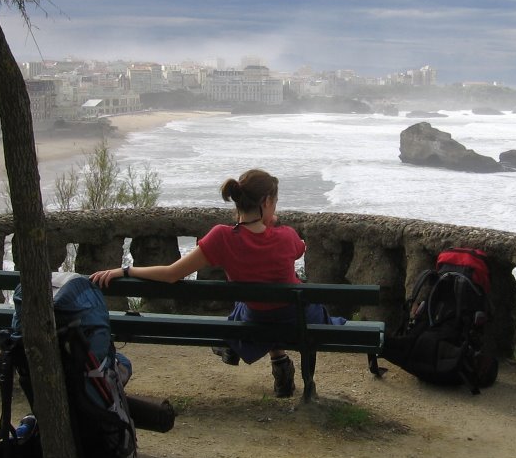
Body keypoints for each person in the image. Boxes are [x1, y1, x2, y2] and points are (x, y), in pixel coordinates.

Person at [90, 169, 341, 397]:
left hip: (256, 321)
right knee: (283, 302)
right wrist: (274, 227)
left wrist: (125, 270)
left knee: (248, 308)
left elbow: (170, 273)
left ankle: (258, 354)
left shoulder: (221, 237)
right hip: (299, 319)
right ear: (266, 203)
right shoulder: (285, 236)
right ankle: (280, 367)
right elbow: (299, 249)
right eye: (274, 203)